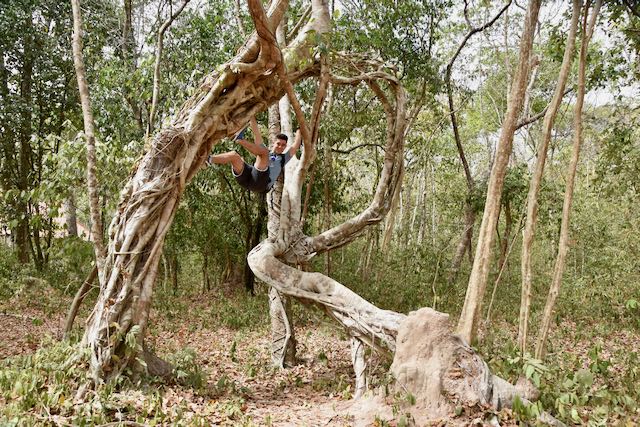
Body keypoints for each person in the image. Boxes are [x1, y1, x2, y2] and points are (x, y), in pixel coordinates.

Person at [208, 116, 302, 193]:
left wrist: (299, 129)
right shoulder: (264, 151)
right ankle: (207, 160)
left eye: (283, 145)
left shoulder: (283, 158)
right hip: (248, 179)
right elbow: (256, 132)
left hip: (262, 184)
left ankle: (239, 140)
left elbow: (296, 145)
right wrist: (251, 114)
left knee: (264, 153)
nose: (280, 147)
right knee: (234, 156)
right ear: (274, 143)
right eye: (278, 144)